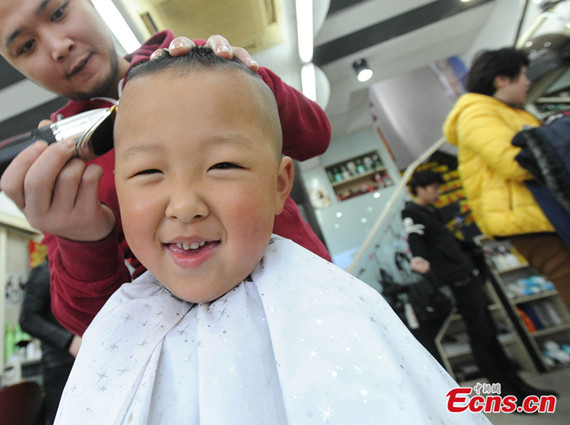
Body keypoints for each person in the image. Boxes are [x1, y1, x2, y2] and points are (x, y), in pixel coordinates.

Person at [53, 48, 490, 425]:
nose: (184, 205)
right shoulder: (120, 319)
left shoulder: (330, 305)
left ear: (280, 185)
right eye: (149, 172)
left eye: (223, 165)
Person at [0, 0, 332, 337]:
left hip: (311, 300)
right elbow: (97, 327)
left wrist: (249, 80)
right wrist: (81, 241)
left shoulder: (198, 61)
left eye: (58, 12)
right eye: (26, 46)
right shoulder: (63, 164)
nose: (59, 47)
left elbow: (315, 138)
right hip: (197, 348)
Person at [402, 170, 557, 401]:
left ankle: (516, 386)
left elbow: (446, 241)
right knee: (481, 336)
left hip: (467, 277)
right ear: (421, 189)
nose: (438, 193)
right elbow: (415, 235)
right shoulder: (412, 213)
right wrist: (418, 258)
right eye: (434, 188)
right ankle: (505, 392)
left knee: (488, 333)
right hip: (457, 282)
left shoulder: (430, 212)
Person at [442, 47, 570, 309]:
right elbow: (514, 163)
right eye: (522, 75)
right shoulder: (477, 114)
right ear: (501, 79)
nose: (528, 81)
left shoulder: (511, 112)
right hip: (530, 223)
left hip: (546, 217)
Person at [19, 260, 81, 425]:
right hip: (60, 365)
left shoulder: (74, 270)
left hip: (80, 363)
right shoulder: (44, 272)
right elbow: (27, 319)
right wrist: (69, 341)